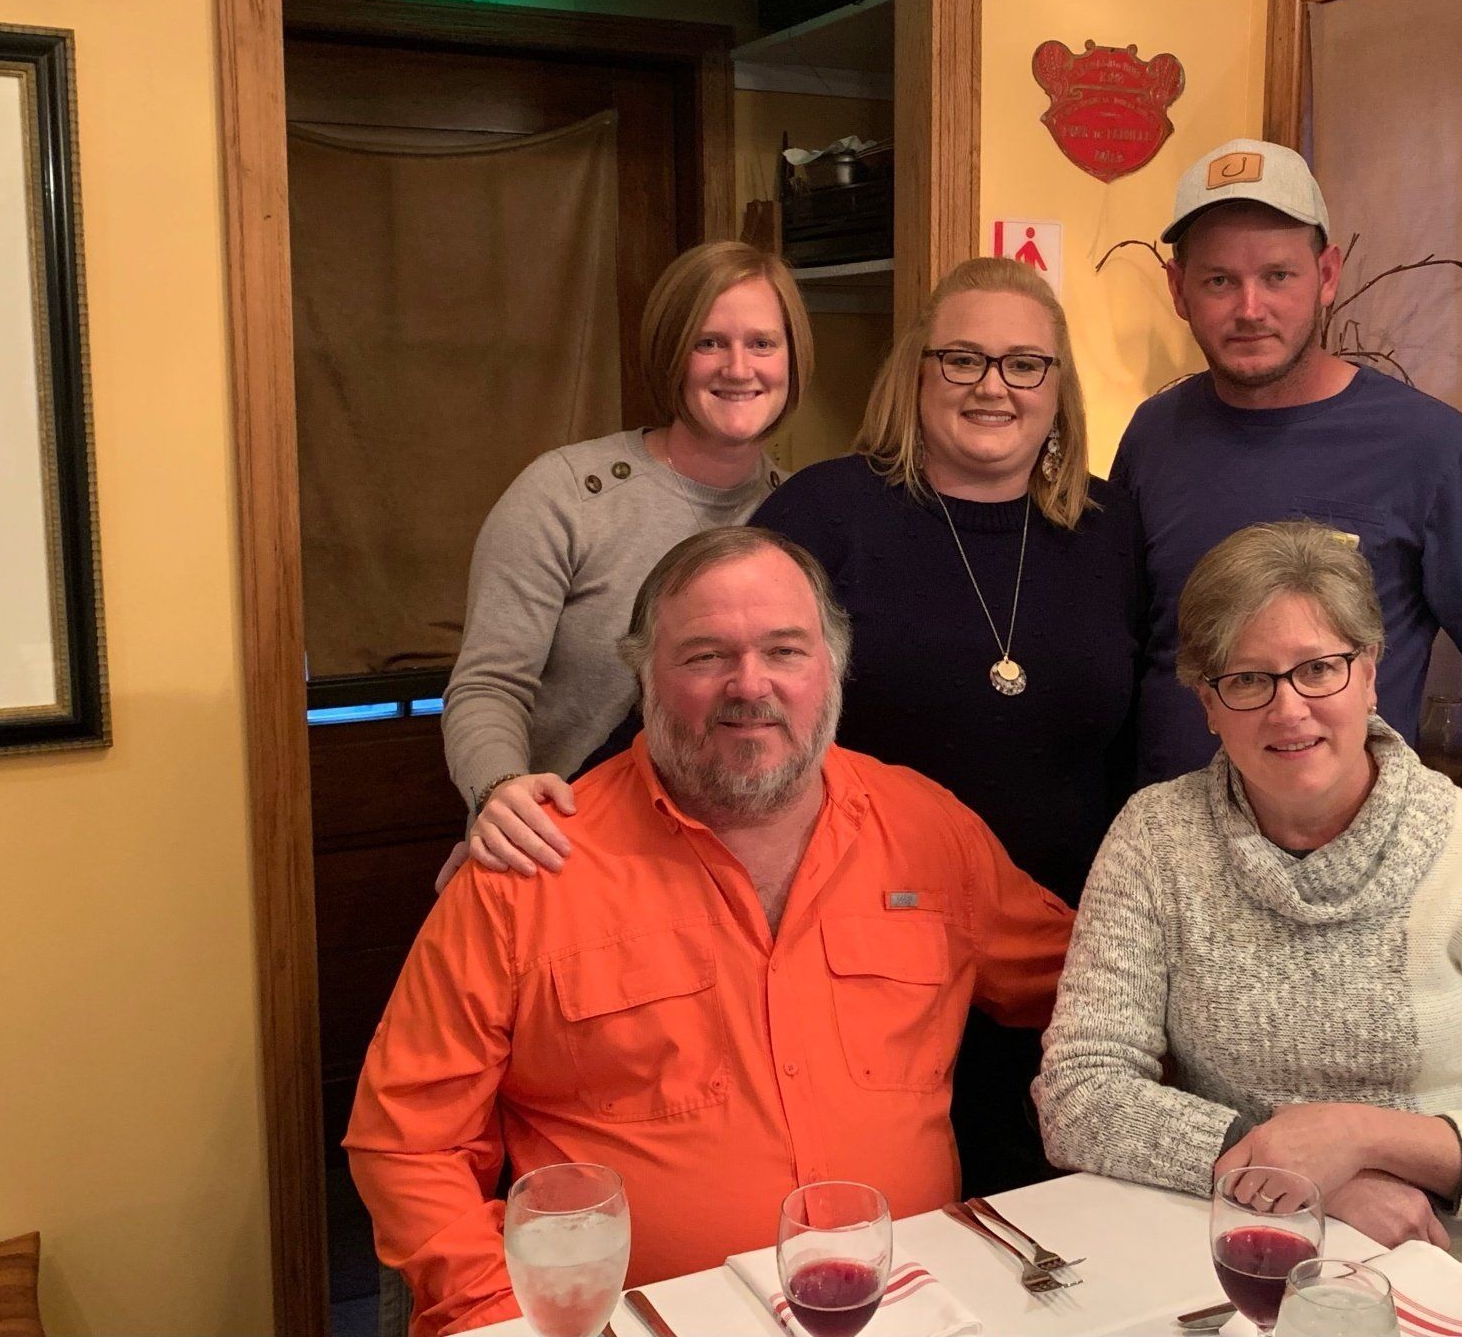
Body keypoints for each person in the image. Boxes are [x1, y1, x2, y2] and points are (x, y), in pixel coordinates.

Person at [347, 527, 1074, 1336]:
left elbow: (1093, 990)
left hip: (907, 1305)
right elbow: (410, 1142)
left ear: (832, 667)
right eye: (705, 656)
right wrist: (501, 1311)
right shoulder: (532, 865)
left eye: (785, 651)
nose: (749, 685)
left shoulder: (929, 832)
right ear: (644, 674)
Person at [1035, 521, 1462, 1306]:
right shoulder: (1156, 838)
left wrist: (1360, 1138)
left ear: (1371, 675)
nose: (1289, 710)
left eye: (1319, 668)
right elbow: (1079, 1092)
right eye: (1248, 680)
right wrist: (1300, 1180)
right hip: (1244, 1275)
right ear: (1208, 703)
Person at [750, 256, 1144, 1194]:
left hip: (1067, 957)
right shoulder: (826, 511)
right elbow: (717, 683)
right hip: (865, 954)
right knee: (887, 1214)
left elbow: (1149, 737)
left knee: (1053, 1228)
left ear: (1059, 388)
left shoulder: (1112, 528)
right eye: (961, 359)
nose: (992, 387)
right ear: (916, 374)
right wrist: (538, 804)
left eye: (1023, 365)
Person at [1112, 138, 1462, 850]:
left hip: (1352, 876)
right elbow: (1125, 648)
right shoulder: (1155, 436)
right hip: (1173, 868)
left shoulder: (1433, 452)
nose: (1250, 308)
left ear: (1327, 275)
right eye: (1219, 281)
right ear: (1178, 290)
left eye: (1278, 275)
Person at [436, 241, 811, 889]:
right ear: (671, 354)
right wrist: (499, 794)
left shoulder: (807, 514)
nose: (739, 367)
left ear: (792, 359)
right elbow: (487, 686)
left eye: (762, 344)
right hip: (572, 855)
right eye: (709, 343)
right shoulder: (564, 496)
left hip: (742, 873)